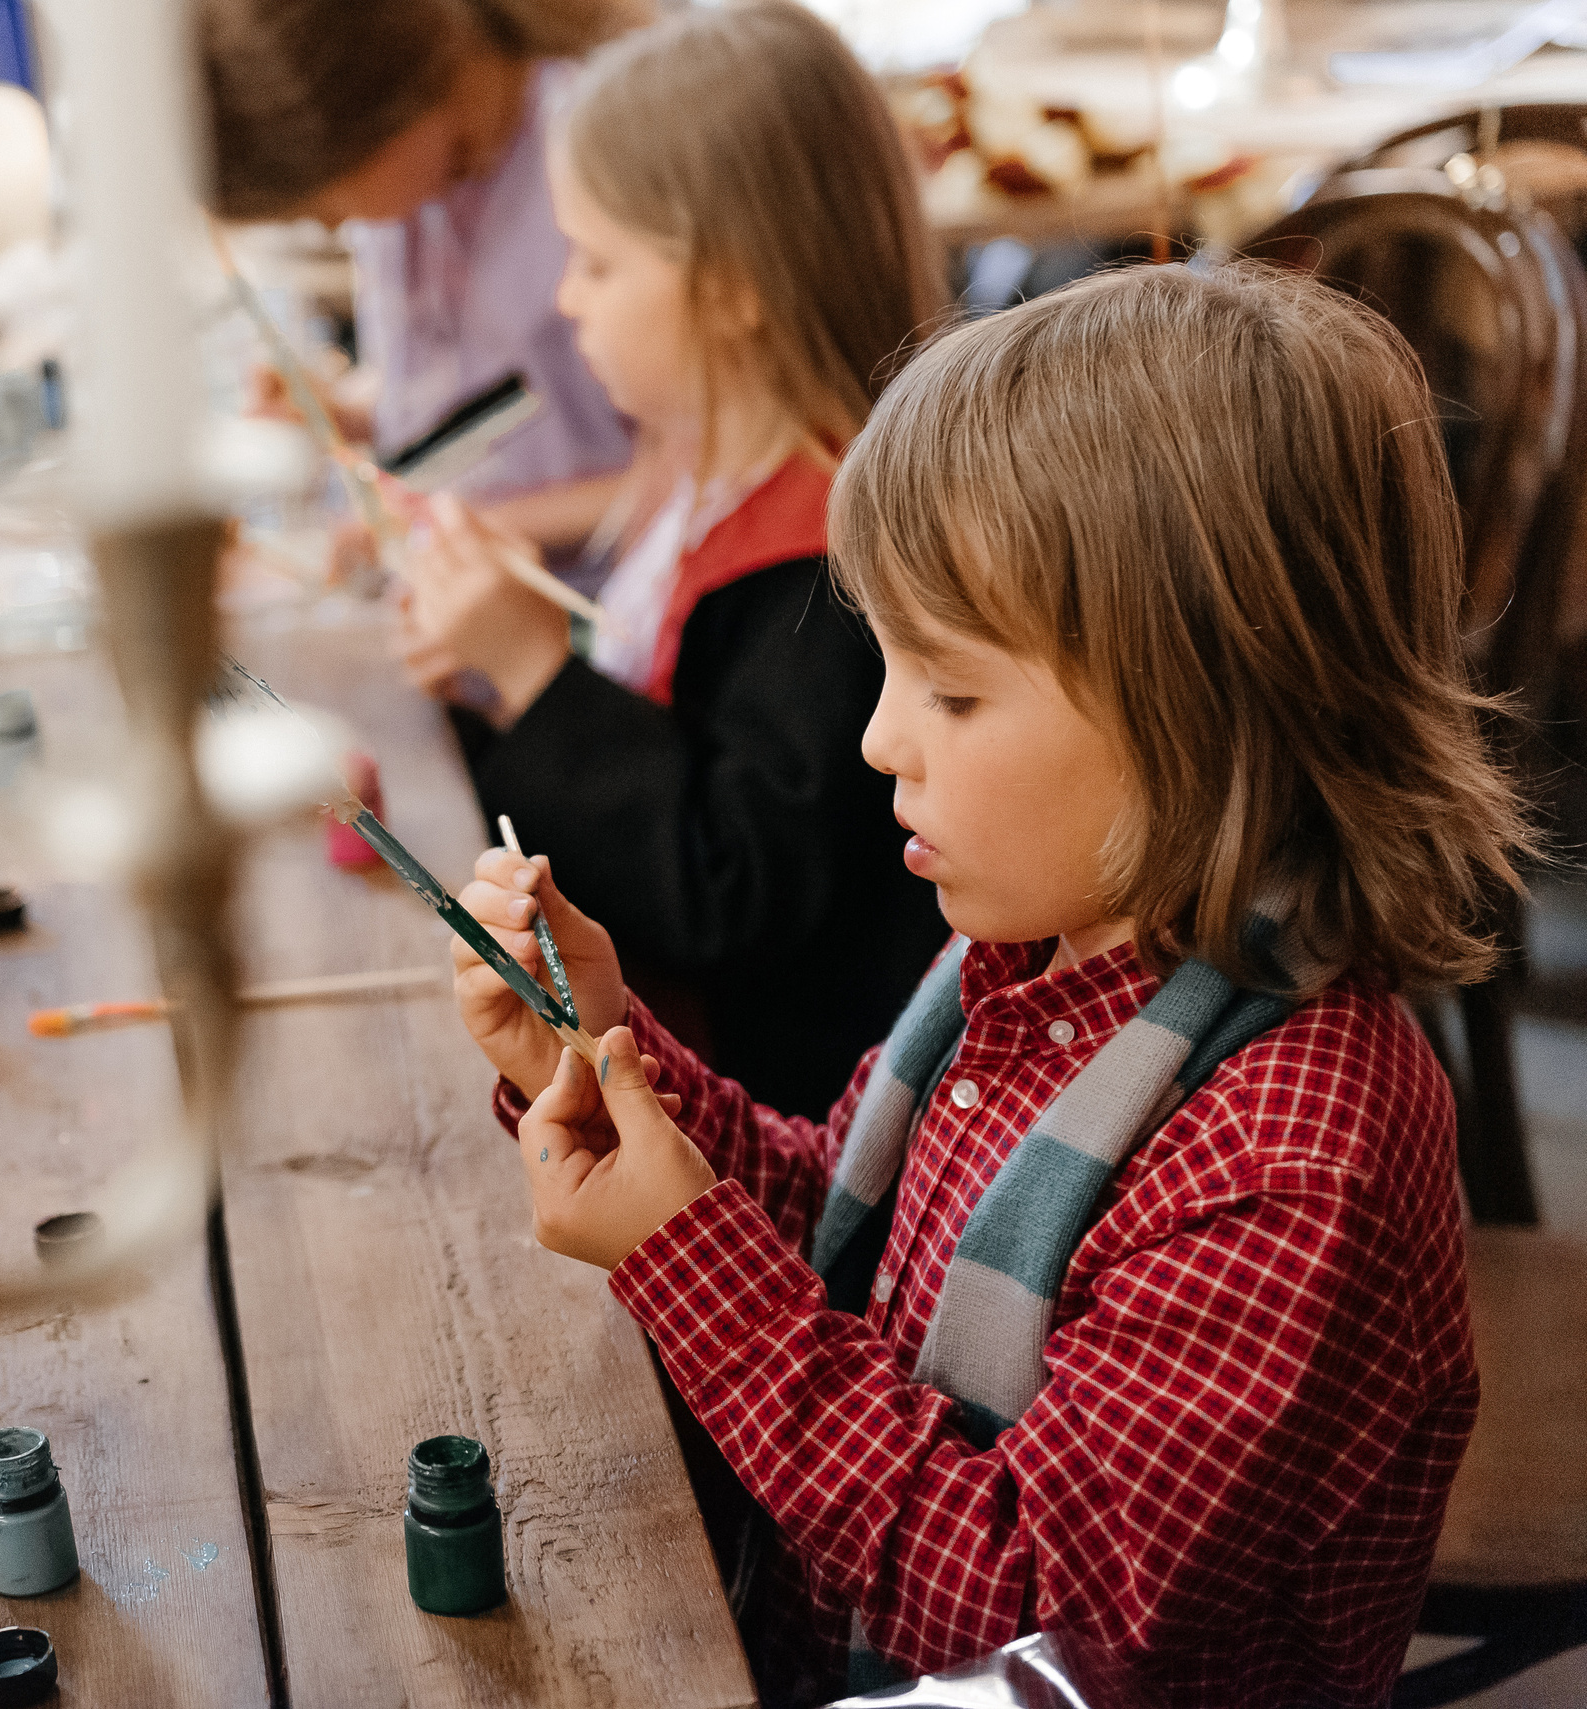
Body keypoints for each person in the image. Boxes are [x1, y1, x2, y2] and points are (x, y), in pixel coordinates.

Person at [446, 262, 1521, 1706]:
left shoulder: (1292, 1157)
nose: (880, 739)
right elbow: (846, 1237)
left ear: (1205, 709)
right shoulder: (1033, 952)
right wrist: (601, 1050)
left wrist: (685, 1261)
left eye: (949, 690)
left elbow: (1023, 1617)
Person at [399, 2, 949, 1114]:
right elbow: (667, 726)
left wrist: (535, 679)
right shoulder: (698, 476)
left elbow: (732, 885)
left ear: (733, 285)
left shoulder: (830, 558)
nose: (566, 299)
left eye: (597, 263)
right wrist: (487, 699)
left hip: (777, 1121)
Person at [201, 0, 643, 567]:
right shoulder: (417, 195)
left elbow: (696, 478)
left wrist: (462, 528)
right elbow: (501, 391)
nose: (334, 226)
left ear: (379, 119)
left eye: (322, 208)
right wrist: (345, 412)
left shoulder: (595, 157)